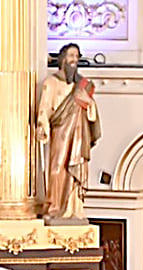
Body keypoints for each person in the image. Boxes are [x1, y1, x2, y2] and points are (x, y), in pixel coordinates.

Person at [38, 42, 100, 221]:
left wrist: (89, 103)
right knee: (57, 168)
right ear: (63, 59)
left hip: (78, 133)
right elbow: (45, 109)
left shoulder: (82, 84)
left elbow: (92, 111)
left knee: (75, 169)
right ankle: (55, 206)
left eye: (77, 56)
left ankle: (73, 208)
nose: (74, 60)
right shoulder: (51, 82)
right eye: (71, 56)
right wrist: (42, 126)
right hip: (60, 131)